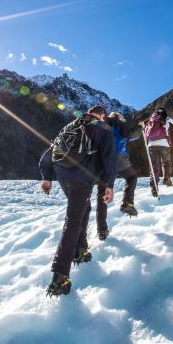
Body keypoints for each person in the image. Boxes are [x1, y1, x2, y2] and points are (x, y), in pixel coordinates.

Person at [39, 105, 117, 297]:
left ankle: (80, 250)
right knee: (73, 219)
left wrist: (47, 177)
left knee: (84, 208)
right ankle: (60, 275)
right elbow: (110, 158)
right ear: (101, 116)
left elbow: (51, 151)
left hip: (62, 175)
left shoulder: (72, 124)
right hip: (81, 179)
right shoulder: (102, 128)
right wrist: (109, 184)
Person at [96, 112, 138, 241]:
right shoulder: (122, 124)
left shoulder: (102, 123)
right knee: (132, 177)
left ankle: (101, 230)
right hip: (119, 157)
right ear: (119, 118)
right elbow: (135, 136)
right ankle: (127, 203)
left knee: (102, 194)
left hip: (102, 158)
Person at [140, 107, 173, 197]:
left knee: (154, 166)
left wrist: (143, 126)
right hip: (164, 144)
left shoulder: (151, 119)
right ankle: (167, 179)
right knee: (167, 162)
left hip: (151, 145)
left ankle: (154, 186)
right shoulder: (167, 119)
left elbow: (145, 131)